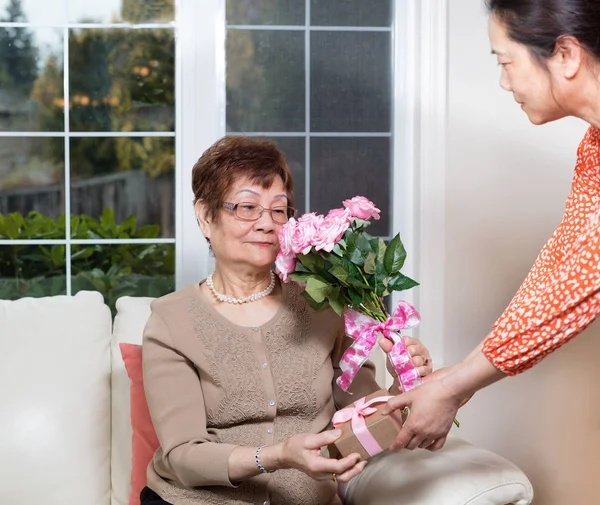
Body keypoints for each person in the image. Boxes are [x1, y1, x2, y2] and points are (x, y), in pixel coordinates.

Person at [140, 135, 433, 505]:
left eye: (279, 210)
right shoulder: (172, 321)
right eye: (247, 207)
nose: (266, 224)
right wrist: (276, 456)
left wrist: (405, 388)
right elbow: (183, 456)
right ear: (204, 216)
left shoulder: (322, 303)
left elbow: (366, 422)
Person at [383, 0, 600, 451]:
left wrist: (454, 387)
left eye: (506, 62)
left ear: (566, 55)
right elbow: (559, 266)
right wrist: (461, 377)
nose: (504, 82)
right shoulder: (593, 148)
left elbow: (580, 285)